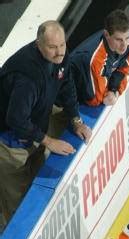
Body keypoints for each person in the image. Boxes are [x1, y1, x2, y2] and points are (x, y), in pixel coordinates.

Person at [0, 21, 91, 228]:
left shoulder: (59, 56)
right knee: (17, 202)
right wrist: (49, 141)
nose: (59, 52)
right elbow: (16, 119)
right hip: (8, 143)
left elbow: (66, 86)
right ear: (38, 44)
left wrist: (76, 120)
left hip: (33, 132)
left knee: (34, 183)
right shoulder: (27, 78)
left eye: (62, 45)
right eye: (52, 47)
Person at [70, 9, 129, 107]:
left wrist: (114, 91)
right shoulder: (95, 59)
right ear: (107, 35)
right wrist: (113, 92)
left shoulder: (124, 44)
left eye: (127, 38)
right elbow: (96, 100)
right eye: (119, 39)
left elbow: (124, 70)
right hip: (59, 98)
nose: (124, 45)